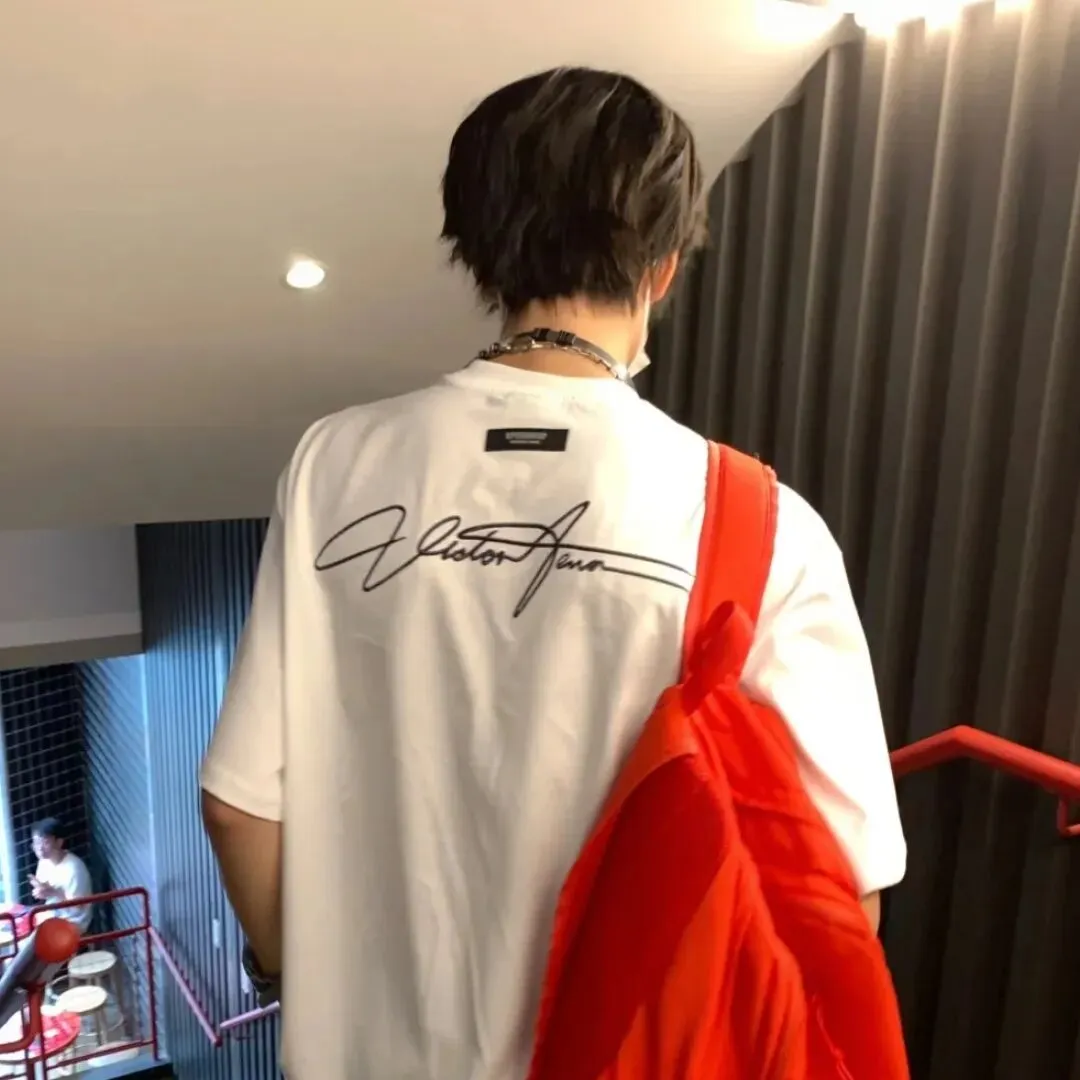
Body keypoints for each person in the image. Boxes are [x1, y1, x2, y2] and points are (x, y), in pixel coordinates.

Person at [200, 67, 907, 1080]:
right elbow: (840, 898)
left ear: (476, 248)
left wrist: (296, 974)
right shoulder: (763, 526)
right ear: (664, 267)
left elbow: (237, 807)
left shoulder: (335, 464)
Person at [29, 818, 93, 934]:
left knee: (32, 937)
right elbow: (47, 892)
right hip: (53, 914)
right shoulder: (44, 862)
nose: (40, 848)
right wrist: (41, 889)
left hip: (73, 922)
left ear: (59, 842)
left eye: (45, 842)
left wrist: (53, 892)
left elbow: (78, 906)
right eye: (36, 843)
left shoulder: (74, 869)